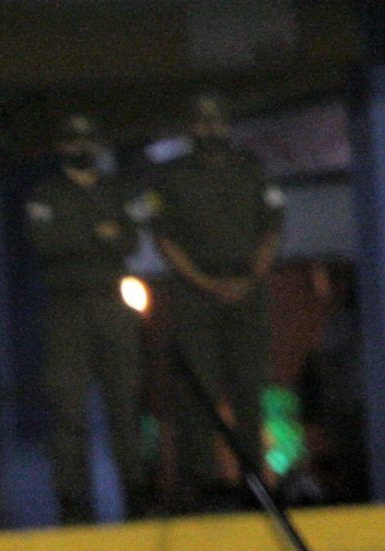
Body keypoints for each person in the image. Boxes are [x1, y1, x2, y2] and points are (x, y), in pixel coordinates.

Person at [150, 93, 283, 507]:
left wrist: (249, 278)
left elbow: (272, 229)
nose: (210, 130)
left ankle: (254, 478)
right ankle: (202, 483)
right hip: (195, 294)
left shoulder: (253, 169)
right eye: (201, 123)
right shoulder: (171, 177)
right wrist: (206, 283)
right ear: (190, 127)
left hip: (247, 290)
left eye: (217, 122)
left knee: (249, 386)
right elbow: (164, 240)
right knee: (200, 392)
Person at [29, 114, 148, 522]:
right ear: (61, 148)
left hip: (111, 304)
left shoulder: (118, 190)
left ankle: (136, 495)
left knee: (125, 405)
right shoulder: (45, 195)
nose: (81, 149)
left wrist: (81, 235)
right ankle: (73, 503)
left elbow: (131, 239)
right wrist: (98, 233)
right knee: (68, 410)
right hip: (66, 309)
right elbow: (46, 243)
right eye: (72, 142)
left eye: (87, 141)